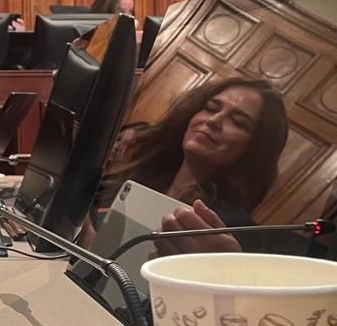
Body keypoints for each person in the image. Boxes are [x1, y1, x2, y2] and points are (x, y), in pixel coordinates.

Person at [102, 76, 289, 252]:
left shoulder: (232, 230)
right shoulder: (135, 175)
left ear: (254, 148)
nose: (213, 120)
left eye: (237, 122)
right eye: (211, 108)